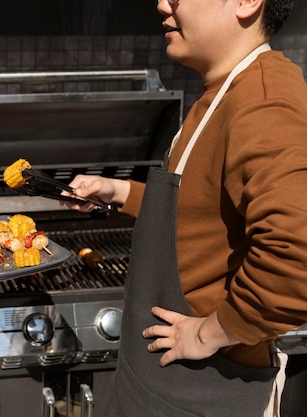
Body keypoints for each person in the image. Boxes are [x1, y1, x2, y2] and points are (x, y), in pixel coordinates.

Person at [66, 0, 307, 415]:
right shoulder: (223, 91)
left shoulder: (265, 100)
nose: (162, 3)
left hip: (203, 391)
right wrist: (122, 192)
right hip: (158, 383)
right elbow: (204, 208)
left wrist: (209, 334)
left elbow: (298, 256)